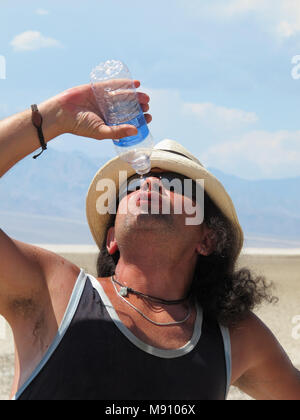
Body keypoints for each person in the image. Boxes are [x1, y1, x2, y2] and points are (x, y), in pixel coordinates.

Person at [0, 81, 299, 401]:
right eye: (132, 185)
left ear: (208, 238)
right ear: (112, 238)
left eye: (175, 183)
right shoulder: (54, 292)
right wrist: (53, 117)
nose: (150, 183)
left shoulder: (231, 337)